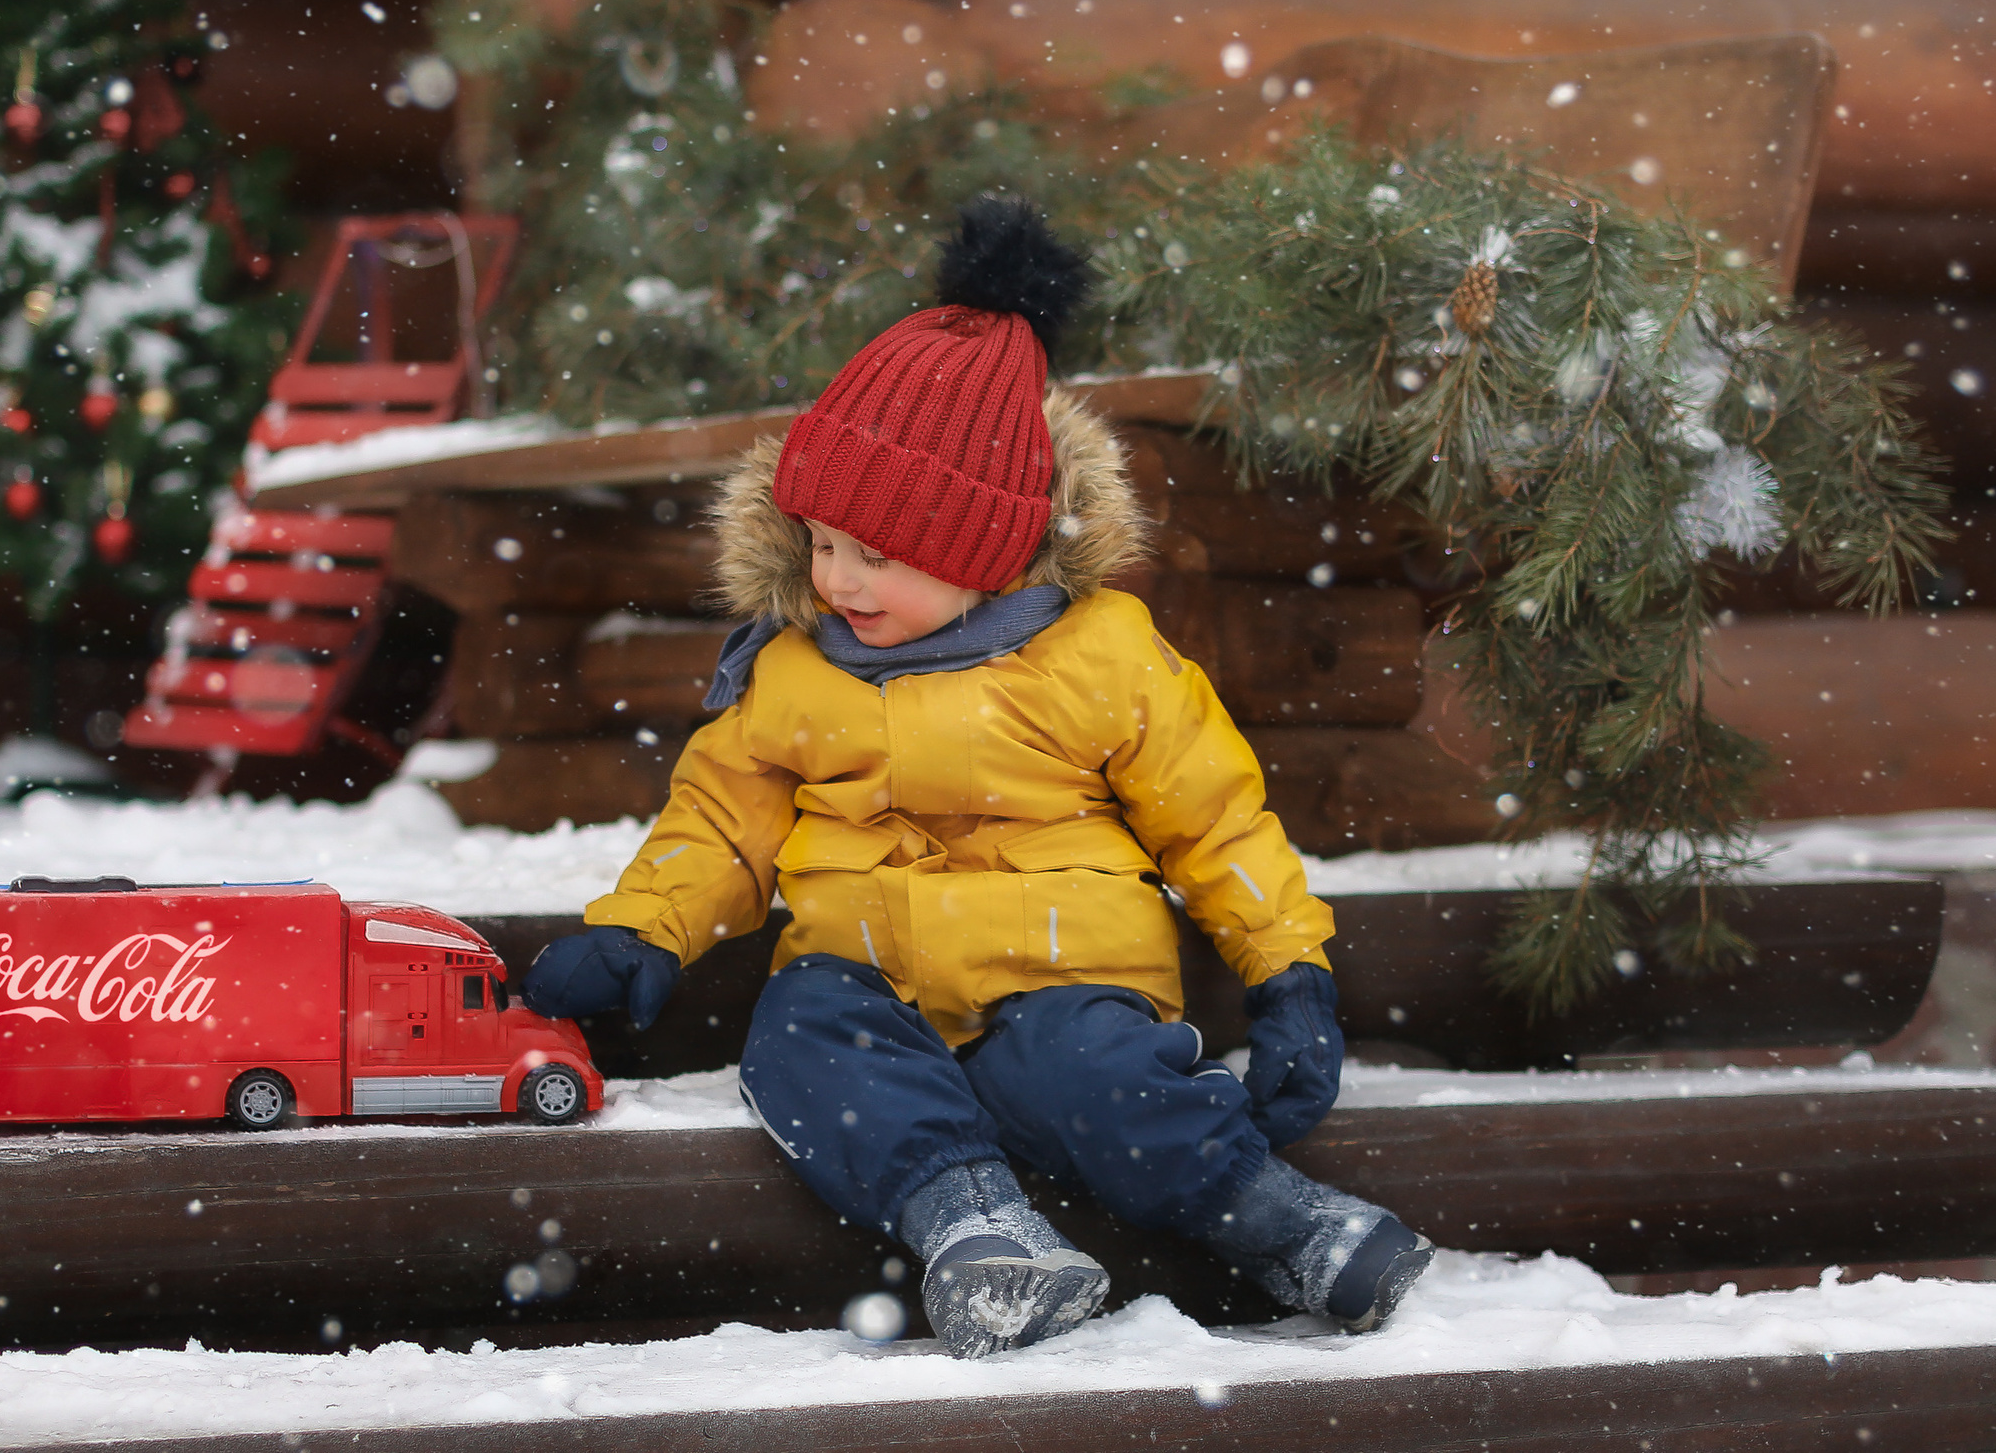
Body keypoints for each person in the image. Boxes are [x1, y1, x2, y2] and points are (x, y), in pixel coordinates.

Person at [523, 196, 1430, 1357]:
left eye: (878, 555)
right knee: (801, 1041)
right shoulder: (793, 672)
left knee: (1099, 1080)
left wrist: (1287, 970)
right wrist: (644, 931)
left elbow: (1214, 821)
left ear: (987, 553)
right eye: (821, 541)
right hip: (864, 978)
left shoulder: (1100, 651)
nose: (838, 577)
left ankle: (1284, 1222)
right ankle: (978, 1231)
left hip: (1061, 968)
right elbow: (721, 822)